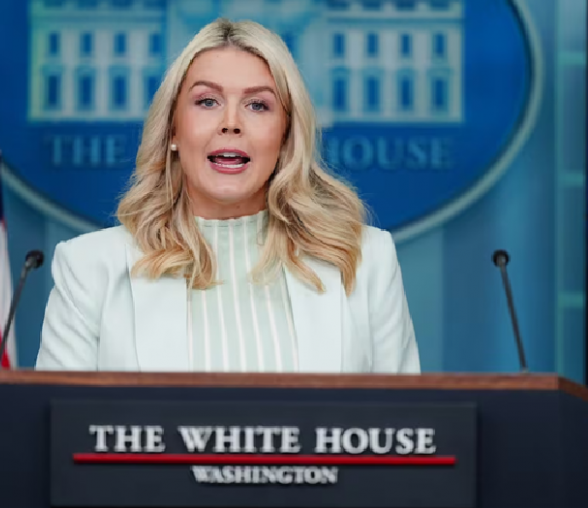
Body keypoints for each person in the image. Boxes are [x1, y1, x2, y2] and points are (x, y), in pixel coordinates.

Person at [35, 18, 420, 374]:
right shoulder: (89, 269)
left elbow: (405, 421)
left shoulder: (367, 260)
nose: (231, 123)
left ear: (286, 135)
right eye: (207, 102)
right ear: (172, 129)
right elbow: (60, 423)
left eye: (258, 105)